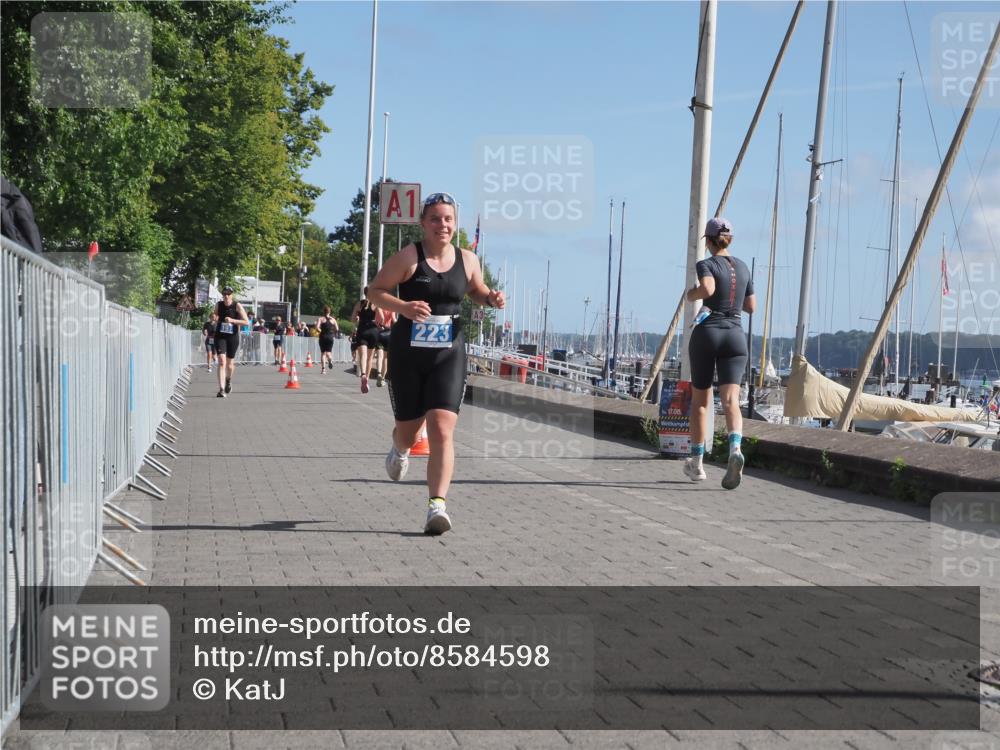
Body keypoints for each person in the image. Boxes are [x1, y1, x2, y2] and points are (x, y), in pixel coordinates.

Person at [368, 192, 505, 534]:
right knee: (410, 431)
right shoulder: (409, 257)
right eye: (435, 219)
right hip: (408, 354)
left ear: (454, 224)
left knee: (442, 428)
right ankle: (400, 447)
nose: (442, 225)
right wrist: (404, 308)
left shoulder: (468, 259)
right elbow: (375, 291)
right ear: (423, 223)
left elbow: (475, 289)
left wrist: (491, 298)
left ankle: (436, 506)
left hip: (449, 353)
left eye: (448, 219)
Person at [683, 217, 755, 489]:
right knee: (730, 402)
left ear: (709, 241)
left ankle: (697, 464)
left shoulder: (706, 263)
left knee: (701, 402)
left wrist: (692, 295)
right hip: (736, 336)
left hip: (709, 332)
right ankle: (735, 449)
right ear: (730, 240)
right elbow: (751, 306)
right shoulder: (744, 267)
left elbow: (708, 289)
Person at [213, 287, 250, 398]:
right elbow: (215, 315)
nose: (226, 296)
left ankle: (228, 380)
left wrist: (232, 320)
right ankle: (221, 389)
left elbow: (246, 322)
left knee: (229, 364)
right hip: (220, 336)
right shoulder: (218, 305)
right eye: (224, 294)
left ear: (231, 295)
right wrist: (215, 318)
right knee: (222, 361)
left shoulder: (237, 306)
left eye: (228, 294)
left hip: (232, 337)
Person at [352, 287, 380, 393]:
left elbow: (353, 318)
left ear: (364, 294)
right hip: (373, 331)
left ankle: (363, 374)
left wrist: (358, 318)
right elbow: (381, 318)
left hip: (362, 330)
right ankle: (366, 380)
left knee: (363, 355)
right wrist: (377, 322)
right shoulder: (376, 304)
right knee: (370, 358)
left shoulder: (359, 304)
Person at [374, 306, 395, 387]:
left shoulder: (378, 306)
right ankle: (382, 378)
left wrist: (380, 324)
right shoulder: (391, 308)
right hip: (388, 333)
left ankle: (379, 373)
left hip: (378, 331)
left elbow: (381, 317)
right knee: (385, 358)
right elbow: (394, 319)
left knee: (380, 355)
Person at [317, 306, 340, 374]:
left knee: (323, 353)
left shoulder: (321, 319)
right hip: (330, 337)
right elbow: (337, 329)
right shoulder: (333, 319)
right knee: (329, 352)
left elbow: (317, 327)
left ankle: (323, 369)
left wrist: (321, 331)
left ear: (323, 311)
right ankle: (330, 360)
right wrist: (333, 333)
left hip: (323, 336)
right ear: (330, 312)